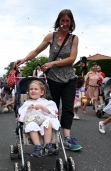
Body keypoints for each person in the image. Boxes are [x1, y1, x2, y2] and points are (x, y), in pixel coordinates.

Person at [15, 9, 82, 151]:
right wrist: (24, 59)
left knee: (68, 108)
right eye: (62, 21)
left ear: (71, 23)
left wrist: (52, 63)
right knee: (53, 108)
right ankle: (51, 139)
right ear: (58, 21)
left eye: (67, 21)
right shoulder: (51, 36)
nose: (64, 24)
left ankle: (67, 138)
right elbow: (36, 51)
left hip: (69, 78)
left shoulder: (74, 38)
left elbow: (72, 59)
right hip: (53, 79)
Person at [18, 81, 60, 157]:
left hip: (43, 119)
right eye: (31, 89)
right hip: (32, 120)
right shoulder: (27, 103)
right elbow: (21, 112)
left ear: (42, 92)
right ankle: (37, 146)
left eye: (36, 89)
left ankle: (47, 144)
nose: (33, 91)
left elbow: (52, 112)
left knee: (48, 123)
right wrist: (27, 108)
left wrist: (42, 107)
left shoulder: (46, 102)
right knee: (31, 126)